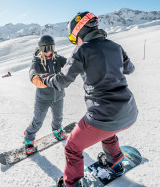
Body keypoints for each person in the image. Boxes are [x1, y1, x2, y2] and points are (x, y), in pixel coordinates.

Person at [34, 12, 138, 187]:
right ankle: (116, 163)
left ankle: (71, 183)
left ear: (80, 30)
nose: (76, 41)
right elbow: (129, 69)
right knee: (107, 132)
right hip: (129, 111)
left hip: (102, 116)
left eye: (74, 37)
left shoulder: (82, 50)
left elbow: (61, 80)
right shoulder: (116, 47)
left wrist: (44, 79)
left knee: (72, 147)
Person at [24, 35, 68, 155]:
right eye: (45, 48)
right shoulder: (37, 60)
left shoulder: (58, 59)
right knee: (38, 120)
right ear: (40, 49)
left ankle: (57, 130)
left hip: (58, 95)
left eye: (51, 47)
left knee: (58, 116)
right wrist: (37, 78)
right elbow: (32, 72)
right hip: (43, 98)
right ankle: (29, 138)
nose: (48, 51)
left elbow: (70, 64)